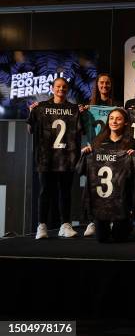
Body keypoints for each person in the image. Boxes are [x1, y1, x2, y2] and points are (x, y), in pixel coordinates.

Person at [28, 77, 82, 239]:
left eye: (64, 87)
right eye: (58, 86)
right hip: (47, 158)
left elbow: (81, 131)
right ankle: (42, 225)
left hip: (66, 157)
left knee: (65, 192)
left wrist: (82, 112)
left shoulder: (73, 109)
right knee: (45, 192)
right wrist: (31, 112)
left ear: (67, 89)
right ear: (52, 88)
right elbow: (30, 130)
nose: (61, 89)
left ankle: (65, 224)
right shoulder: (40, 108)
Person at [82, 108, 135, 242]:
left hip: (122, 196)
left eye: (118, 119)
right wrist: (86, 153)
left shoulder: (131, 142)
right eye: (112, 118)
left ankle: (127, 222)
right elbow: (87, 170)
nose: (114, 121)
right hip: (103, 198)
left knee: (120, 238)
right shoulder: (98, 142)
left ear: (125, 123)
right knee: (102, 238)